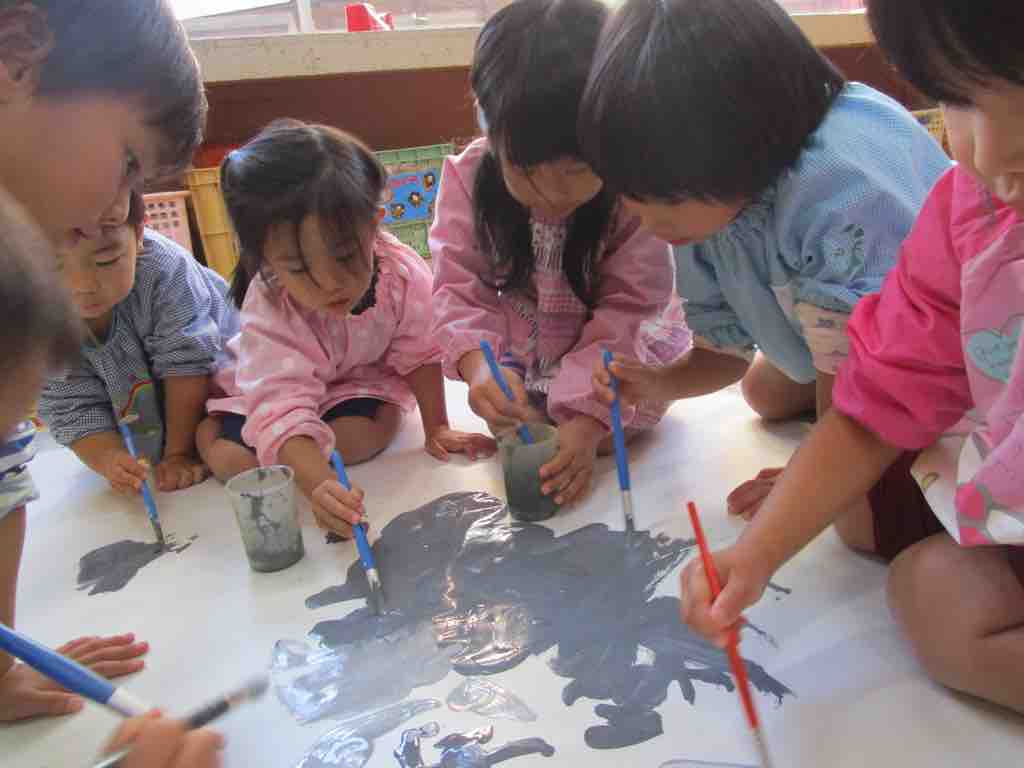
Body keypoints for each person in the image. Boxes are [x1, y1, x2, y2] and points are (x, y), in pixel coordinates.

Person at [679, 0, 1024, 715]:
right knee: (930, 592)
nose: (986, 154)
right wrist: (759, 553)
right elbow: (878, 403)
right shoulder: (971, 212)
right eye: (955, 99)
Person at [431, 0, 691, 507]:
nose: (553, 192)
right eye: (527, 169)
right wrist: (483, 368)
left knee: (619, 422)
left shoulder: (634, 192)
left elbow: (632, 308)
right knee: (517, 414)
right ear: (491, 128)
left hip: (615, 356)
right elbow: (456, 286)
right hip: (525, 354)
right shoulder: (467, 179)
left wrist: (588, 422)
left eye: (577, 168)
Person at [200, 120, 495, 538]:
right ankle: (208, 433)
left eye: (344, 255)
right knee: (238, 464)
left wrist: (437, 426)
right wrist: (320, 486)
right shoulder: (271, 303)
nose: (330, 283)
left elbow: (421, 351)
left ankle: (302, 454)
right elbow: (280, 404)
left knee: (363, 439)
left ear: (373, 225)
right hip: (268, 393)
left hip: (353, 385)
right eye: (300, 268)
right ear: (265, 257)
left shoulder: (401, 273)